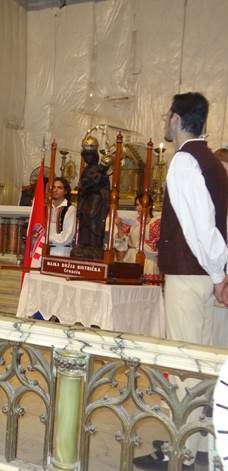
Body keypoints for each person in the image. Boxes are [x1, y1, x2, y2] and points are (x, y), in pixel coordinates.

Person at [134, 93, 228, 470]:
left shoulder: (185, 161)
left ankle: (184, 454)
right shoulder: (215, 164)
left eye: (166, 115)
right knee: (206, 365)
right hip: (210, 276)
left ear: (175, 118)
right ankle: (203, 448)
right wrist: (222, 274)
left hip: (192, 278)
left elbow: (199, 228)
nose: (165, 121)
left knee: (185, 367)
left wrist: (219, 274)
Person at [71, 135, 110, 260]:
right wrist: (83, 186)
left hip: (97, 198)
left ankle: (94, 246)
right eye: (85, 155)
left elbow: (103, 186)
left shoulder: (99, 169)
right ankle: (83, 244)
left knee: (92, 217)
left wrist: (93, 183)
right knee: (84, 219)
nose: (87, 158)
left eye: (90, 155)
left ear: (95, 156)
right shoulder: (87, 169)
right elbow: (83, 183)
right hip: (86, 198)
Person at [114, 193, 161, 282]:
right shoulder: (133, 224)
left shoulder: (156, 223)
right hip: (132, 260)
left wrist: (135, 245)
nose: (137, 208)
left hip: (148, 262)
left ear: (149, 206)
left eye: (140, 205)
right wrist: (119, 226)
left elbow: (155, 248)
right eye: (136, 205)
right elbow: (121, 245)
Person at [48, 177, 76, 257]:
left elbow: (67, 236)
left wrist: (47, 238)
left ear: (66, 191)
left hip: (61, 251)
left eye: (59, 188)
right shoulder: (46, 208)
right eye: (53, 187)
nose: (55, 190)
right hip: (42, 249)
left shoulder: (70, 209)